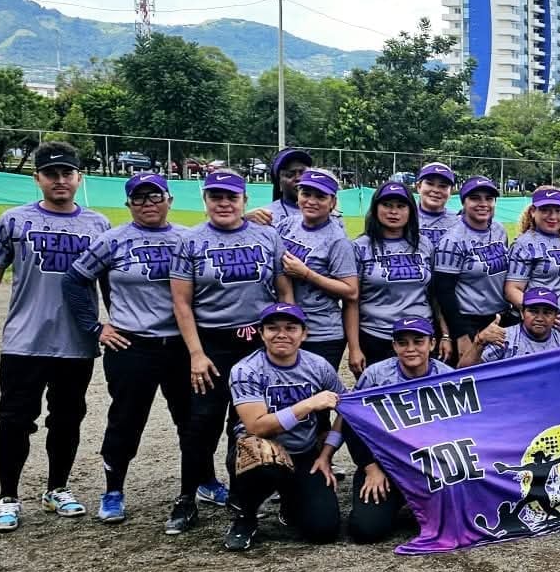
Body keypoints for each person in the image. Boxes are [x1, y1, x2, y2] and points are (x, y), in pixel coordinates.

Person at [0, 142, 110, 532]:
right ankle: (7, 497)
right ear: (37, 178)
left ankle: (57, 489)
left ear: (79, 178)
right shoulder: (14, 220)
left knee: (67, 420)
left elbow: (112, 281)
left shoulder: (98, 225)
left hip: (76, 342)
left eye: (67, 173)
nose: (60, 180)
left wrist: (114, 323)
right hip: (24, 340)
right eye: (51, 174)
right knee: (14, 420)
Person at [169, 169, 293, 535]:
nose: (224, 203)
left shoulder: (267, 236)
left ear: (244, 200)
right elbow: (181, 303)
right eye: (216, 196)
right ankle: (187, 497)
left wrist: (285, 335)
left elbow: (284, 290)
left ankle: (242, 499)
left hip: (257, 345)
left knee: (247, 424)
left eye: (231, 197)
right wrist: (196, 353)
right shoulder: (190, 240)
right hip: (212, 345)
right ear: (205, 200)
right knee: (201, 424)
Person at [63, 173, 186, 526]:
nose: (148, 203)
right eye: (139, 198)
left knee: (191, 419)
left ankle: (202, 481)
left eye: (155, 196)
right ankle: (113, 490)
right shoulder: (113, 240)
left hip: (179, 346)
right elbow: (75, 279)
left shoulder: (187, 238)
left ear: (169, 200)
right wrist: (96, 326)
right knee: (126, 420)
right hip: (132, 345)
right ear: (128, 204)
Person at [223, 303, 345, 551]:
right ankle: (246, 515)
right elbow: (257, 427)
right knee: (263, 462)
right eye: (273, 328)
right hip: (260, 452)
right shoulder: (246, 369)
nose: (282, 334)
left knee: (323, 530)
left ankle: (291, 501)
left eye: (291, 328)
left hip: (304, 452)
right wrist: (308, 404)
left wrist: (326, 454)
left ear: (304, 333)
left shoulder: (318, 365)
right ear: (261, 333)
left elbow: (347, 409)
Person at [345, 317, 455, 542]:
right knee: (367, 530)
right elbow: (352, 423)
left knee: (456, 521)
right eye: (403, 343)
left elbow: (461, 428)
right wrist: (371, 468)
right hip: (386, 463)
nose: (410, 348)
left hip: (430, 464)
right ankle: (394, 500)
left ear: (432, 344)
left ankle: (423, 500)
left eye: (418, 341)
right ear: (394, 346)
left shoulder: (447, 376)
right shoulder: (375, 376)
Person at [346, 182, 438, 373]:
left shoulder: (424, 244)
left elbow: (434, 295)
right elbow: (351, 300)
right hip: (376, 336)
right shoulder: (360, 247)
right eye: (387, 205)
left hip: (419, 335)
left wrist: (444, 335)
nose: (393, 212)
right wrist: (354, 348)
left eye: (401, 206)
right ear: (375, 208)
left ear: (411, 210)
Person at [275, 167, 358, 369]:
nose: (311, 201)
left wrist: (307, 274)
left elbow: (351, 291)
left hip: (321, 333)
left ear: (332, 202)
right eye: (306, 194)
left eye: (320, 196)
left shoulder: (337, 240)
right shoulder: (287, 225)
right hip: (287, 327)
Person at [432, 176, 516, 367]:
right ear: (464, 202)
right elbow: (443, 291)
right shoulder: (452, 240)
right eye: (475, 198)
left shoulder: (499, 229)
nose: (483, 204)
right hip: (469, 321)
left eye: (489, 198)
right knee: (470, 375)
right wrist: (460, 334)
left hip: (500, 317)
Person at [506, 185, 560, 342]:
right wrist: (541, 316)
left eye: (558, 210)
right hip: (541, 336)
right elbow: (512, 290)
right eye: (545, 210)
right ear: (533, 211)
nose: (552, 216)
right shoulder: (524, 244)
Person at [476, 288, 560, 363]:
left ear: (555, 316)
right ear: (522, 313)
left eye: (547, 312)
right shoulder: (503, 338)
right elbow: (469, 372)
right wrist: (480, 343)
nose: (540, 318)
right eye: (533, 311)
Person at [246, 147, 313, 226]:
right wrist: (243, 220)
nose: (298, 178)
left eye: (303, 173)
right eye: (290, 175)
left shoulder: (323, 212)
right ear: (279, 184)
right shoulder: (264, 217)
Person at [414, 162, 459, 245]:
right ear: (419, 187)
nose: (436, 190)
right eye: (430, 184)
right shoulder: (404, 218)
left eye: (443, 186)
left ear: (451, 191)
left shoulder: (459, 221)